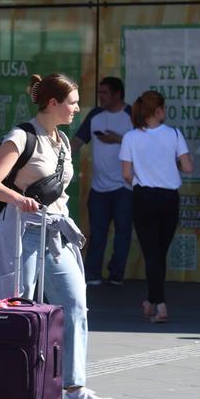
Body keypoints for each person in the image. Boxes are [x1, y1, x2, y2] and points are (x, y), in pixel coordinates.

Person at [0, 73, 114, 399]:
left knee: (75, 305)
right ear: (52, 103)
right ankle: (13, 383)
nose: (77, 109)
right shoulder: (21, 137)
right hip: (22, 233)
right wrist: (17, 198)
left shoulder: (64, 141)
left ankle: (73, 389)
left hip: (55, 233)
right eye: (72, 103)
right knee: (17, 309)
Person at [119, 91, 193, 323]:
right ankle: (155, 302)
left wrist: (142, 181)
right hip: (169, 197)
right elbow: (188, 167)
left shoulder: (130, 137)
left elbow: (126, 174)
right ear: (159, 111)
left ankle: (156, 303)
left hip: (144, 197)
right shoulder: (174, 134)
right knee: (159, 252)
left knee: (152, 252)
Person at [71, 77, 134, 286]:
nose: (101, 97)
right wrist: (58, 158)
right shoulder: (96, 115)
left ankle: (117, 273)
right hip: (99, 187)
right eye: (100, 92)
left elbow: (144, 145)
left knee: (123, 233)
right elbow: (77, 141)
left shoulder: (131, 114)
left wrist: (119, 139)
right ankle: (92, 273)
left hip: (125, 185)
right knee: (97, 232)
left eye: (105, 93)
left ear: (117, 94)